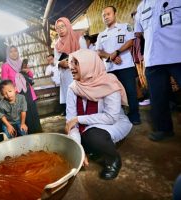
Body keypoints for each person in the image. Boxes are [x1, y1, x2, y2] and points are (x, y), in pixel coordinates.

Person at [65, 49, 132, 180]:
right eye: (70, 63)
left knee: (93, 136)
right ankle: (91, 149)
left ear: (89, 64)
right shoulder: (73, 88)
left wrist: (78, 119)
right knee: (72, 140)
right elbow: (70, 123)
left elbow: (111, 117)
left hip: (112, 123)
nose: (71, 67)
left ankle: (113, 160)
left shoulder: (109, 83)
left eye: (76, 63)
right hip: (90, 126)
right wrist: (79, 150)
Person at [134, 0, 181, 141]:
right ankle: (164, 129)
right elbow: (139, 33)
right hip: (153, 59)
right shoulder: (141, 6)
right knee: (158, 97)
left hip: (177, 53)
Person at [96, 6, 141, 125]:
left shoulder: (125, 27)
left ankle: (134, 116)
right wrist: (110, 56)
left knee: (130, 91)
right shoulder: (101, 35)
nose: (106, 17)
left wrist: (117, 52)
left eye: (108, 14)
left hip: (125, 66)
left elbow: (130, 42)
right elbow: (99, 51)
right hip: (110, 69)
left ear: (115, 14)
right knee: (113, 95)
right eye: (104, 15)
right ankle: (119, 117)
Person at [1, 46, 42, 134]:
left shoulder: (22, 63)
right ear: (8, 54)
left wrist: (27, 71)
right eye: (11, 52)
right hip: (17, 94)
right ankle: (29, 138)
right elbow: (5, 83)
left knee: (34, 115)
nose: (14, 53)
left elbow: (31, 76)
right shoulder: (5, 66)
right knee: (24, 117)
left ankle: (39, 134)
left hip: (29, 92)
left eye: (15, 51)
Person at [54, 17, 87, 116]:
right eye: (58, 27)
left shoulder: (78, 38)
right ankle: (74, 122)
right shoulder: (57, 44)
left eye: (62, 26)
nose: (60, 29)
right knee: (71, 101)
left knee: (82, 99)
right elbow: (56, 60)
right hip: (66, 76)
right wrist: (60, 63)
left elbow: (86, 54)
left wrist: (72, 61)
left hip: (80, 73)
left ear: (68, 26)